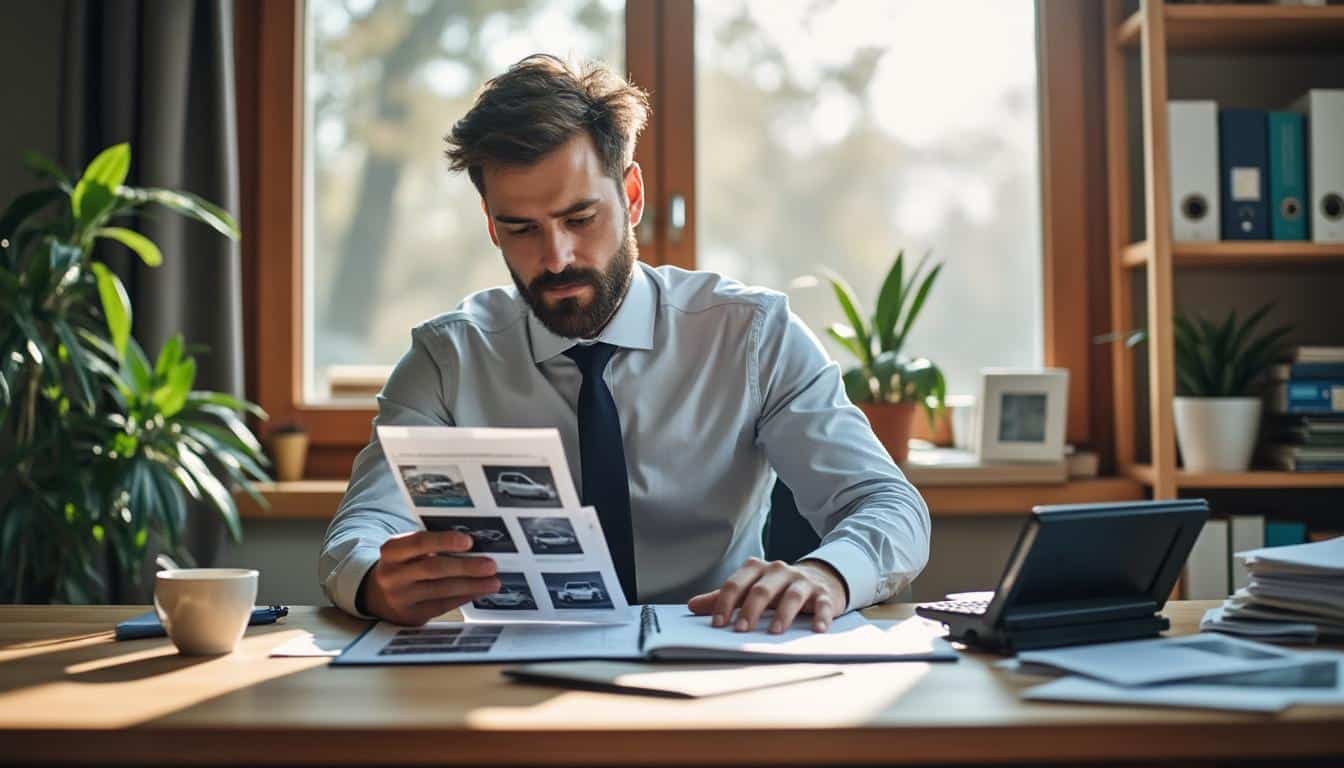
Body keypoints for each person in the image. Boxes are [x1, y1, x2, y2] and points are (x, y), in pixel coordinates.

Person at [320, 54, 930, 634]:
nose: (555, 257)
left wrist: (826, 575)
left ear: (631, 196)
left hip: (711, 654)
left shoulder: (751, 336)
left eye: (580, 219)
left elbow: (887, 504)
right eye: (521, 228)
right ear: (490, 224)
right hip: (508, 671)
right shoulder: (447, 360)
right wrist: (374, 580)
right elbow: (362, 528)